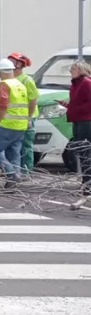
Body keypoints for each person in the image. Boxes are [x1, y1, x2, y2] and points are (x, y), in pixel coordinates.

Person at [0, 58, 30, 184]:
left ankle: (11, 174)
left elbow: (3, 105)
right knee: (13, 153)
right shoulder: (20, 85)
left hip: (8, 125)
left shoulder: (4, 84)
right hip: (20, 126)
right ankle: (14, 181)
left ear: (0, 72)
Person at [58, 61, 91, 207]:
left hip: (86, 120)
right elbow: (78, 102)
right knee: (81, 152)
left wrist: (76, 109)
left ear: (82, 70)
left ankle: (87, 185)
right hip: (78, 119)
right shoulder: (75, 84)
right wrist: (68, 105)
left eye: (74, 68)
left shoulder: (86, 82)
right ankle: (86, 184)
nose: (71, 71)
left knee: (86, 152)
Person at [8, 52, 40, 172]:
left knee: (25, 145)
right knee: (14, 146)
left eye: (13, 61)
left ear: (20, 64)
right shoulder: (10, 79)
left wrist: (29, 118)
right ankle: (14, 170)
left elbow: (33, 100)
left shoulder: (27, 80)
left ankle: (26, 170)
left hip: (26, 117)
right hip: (14, 117)